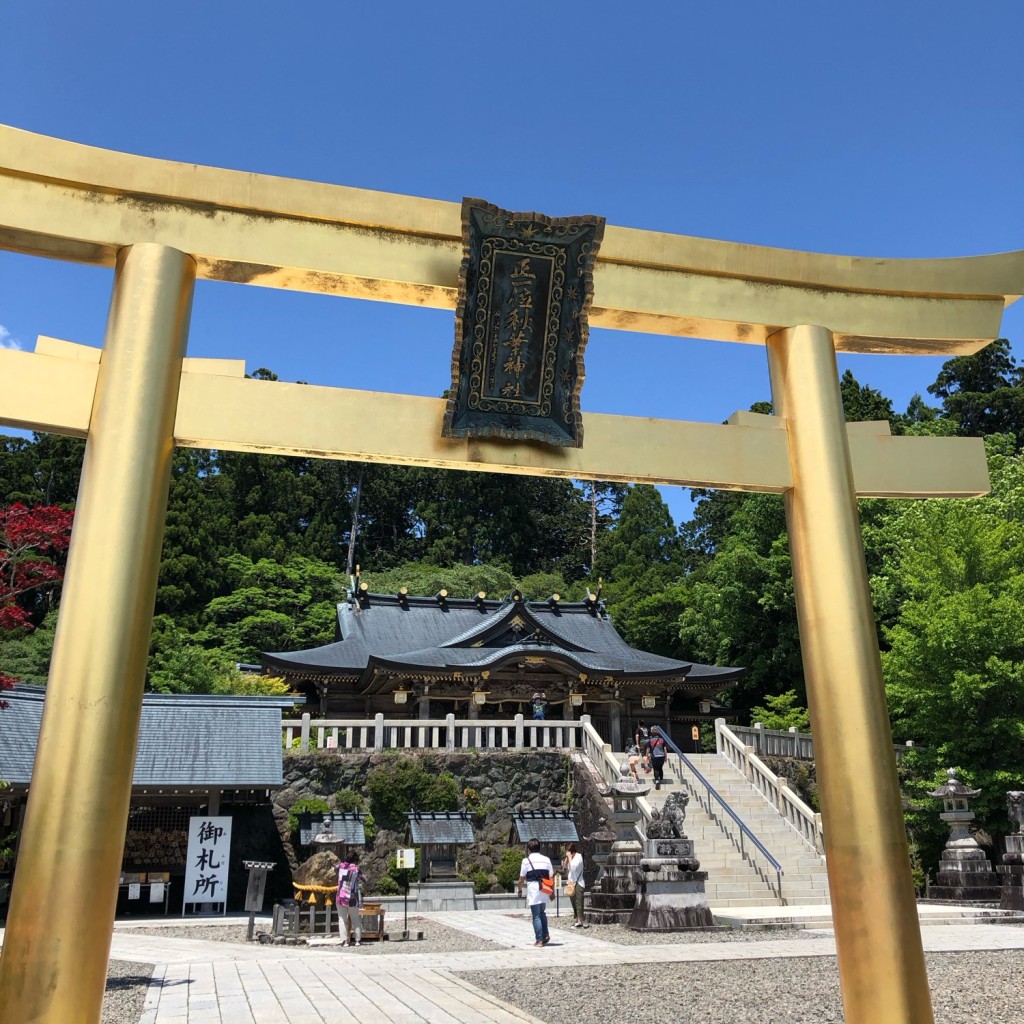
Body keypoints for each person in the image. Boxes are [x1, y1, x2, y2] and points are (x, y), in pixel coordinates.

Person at [517, 837, 553, 946]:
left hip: (533, 889)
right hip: (545, 888)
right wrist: (552, 892)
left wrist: (519, 889)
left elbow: (521, 878)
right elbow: (551, 876)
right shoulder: (546, 859)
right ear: (539, 848)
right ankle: (545, 934)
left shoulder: (526, 861)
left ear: (529, 849)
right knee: (542, 913)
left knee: (536, 915)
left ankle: (539, 940)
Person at [337, 851, 364, 946]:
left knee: (342, 919)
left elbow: (334, 870)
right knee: (356, 919)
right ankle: (357, 940)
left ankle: (344, 941)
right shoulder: (356, 869)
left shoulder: (340, 866)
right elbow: (365, 879)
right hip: (353, 898)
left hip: (341, 897)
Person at [561, 842, 587, 927]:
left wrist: (569, 857)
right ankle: (577, 919)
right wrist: (566, 860)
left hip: (579, 882)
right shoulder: (570, 858)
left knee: (578, 901)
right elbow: (565, 869)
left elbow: (574, 868)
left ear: (572, 851)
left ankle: (580, 920)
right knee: (573, 902)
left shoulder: (578, 857)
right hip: (571, 883)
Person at [648, 725, 668, 789]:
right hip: (662, 756)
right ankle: (661, 779)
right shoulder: (662, 740)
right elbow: (665, 749)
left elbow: (648, 749)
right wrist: (666, 757)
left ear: (652, 733)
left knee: (655, 769)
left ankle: (657, 780)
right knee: (660, 768)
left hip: (654, 756)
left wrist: (647, 755)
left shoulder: (650, 740)